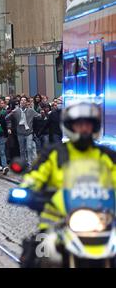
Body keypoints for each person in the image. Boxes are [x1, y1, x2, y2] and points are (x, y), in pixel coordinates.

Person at [18, 101, 116, 267]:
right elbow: (35, 175)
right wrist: (27, 189)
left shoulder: (106, 156)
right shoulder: (54, 153)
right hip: (57, 221)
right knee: (39, 255)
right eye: (79, 124)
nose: (84, 129)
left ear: (95, 127)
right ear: (71, 126)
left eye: (88, 124)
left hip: (101, 219)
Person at [6, 97, 40, 169]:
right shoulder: (16, 111)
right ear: (20, 102)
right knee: (22, 149)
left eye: (25, 100)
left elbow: (39, 116)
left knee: (29, 147)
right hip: (20, 133)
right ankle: (23, 163)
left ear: (27, 102)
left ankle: (30, 164)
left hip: (29, 132)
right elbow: (7, 118)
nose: (23, 102)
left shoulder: (31, 111)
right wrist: (11, 112)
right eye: (22, 100)